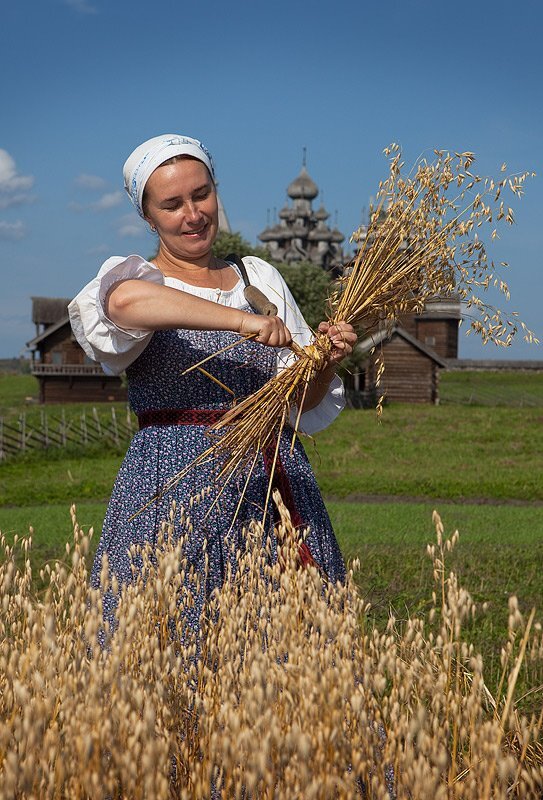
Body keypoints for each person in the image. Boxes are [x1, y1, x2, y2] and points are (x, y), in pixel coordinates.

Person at [69, 134, 357, 634]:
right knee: (167, 639)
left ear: (216, 192)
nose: (193, 214)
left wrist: (325, 364)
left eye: (201, 195)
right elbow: (124, 306)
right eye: (172, 204)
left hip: (268, 482)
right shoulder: (138, 281)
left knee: (285, 649)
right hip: (172, 481)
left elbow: (299, 401)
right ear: (148, 216)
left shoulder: (257, 277)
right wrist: (240, 321)